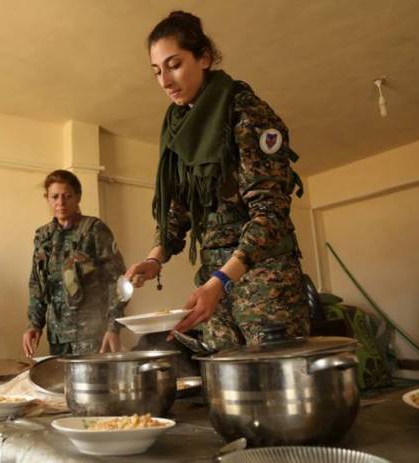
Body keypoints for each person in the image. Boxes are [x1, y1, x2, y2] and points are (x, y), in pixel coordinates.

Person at [125, 11, 309, 350]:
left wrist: (222, 279)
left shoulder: (246, 113)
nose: (165, 81)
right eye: (157, 71)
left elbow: (270, 213)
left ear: (204, 58)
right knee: (223, 375)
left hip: (265, 281)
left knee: (275, 376)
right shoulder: (179, 130)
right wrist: (154, 259)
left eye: (174, 65)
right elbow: (179, 209)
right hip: (214, 281)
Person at [22, 169, 127, 357]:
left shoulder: (94, 230)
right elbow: (37, 284)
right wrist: (34, 325)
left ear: (78, 197)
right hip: (58, 338)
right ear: (47, 198)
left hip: (92, 335)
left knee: (96, 377)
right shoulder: (43, 237)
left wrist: (114, 327)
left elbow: (118, 281)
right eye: (55, 197)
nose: (60, 202)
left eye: (67, 196)